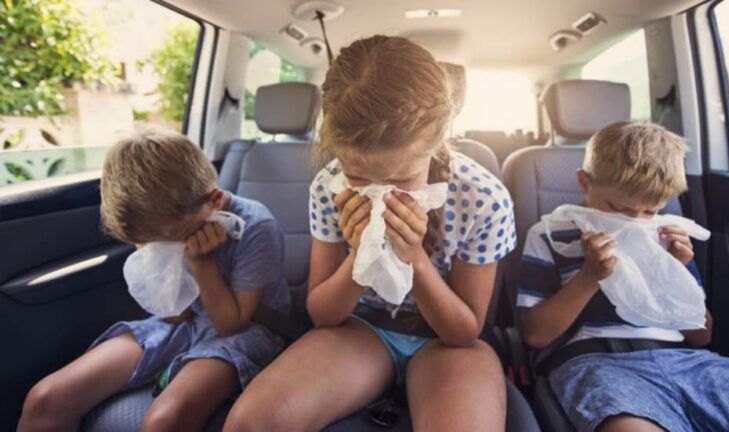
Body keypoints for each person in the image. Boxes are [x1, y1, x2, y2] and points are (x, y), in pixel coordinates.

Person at [223, 35, 515, 432]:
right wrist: (359, 256)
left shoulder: (484, 198)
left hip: (445, 343)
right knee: (249, 423)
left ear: (438, 139)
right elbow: (323, 314)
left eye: (402, 178)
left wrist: (415, 259)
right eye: (359, 177)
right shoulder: (330, 186)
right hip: (361, 329)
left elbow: (463, 332)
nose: (381, 194)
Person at [18, 129, 290, 432]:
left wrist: (201, 262)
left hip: (248, 331)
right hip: (184, 322)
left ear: (213, 201)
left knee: (165, 420)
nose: (165, 248)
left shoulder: (256, 226)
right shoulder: (161, 227)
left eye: (174, 239)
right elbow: (175, 313)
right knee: (46, 398)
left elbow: (232, 325)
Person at [517, 122, 729, 432]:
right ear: (584, 182)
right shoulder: (550, 235)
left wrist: (676, 272)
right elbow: (535, 336)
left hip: (686, 362)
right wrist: (589, 276)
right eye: (619, 209)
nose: (634, 222)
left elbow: (701, 337)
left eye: (649, 212)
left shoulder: (665, 236)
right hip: (597, 363)